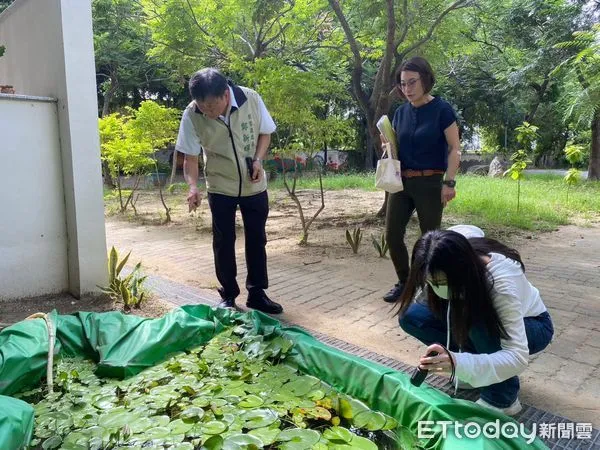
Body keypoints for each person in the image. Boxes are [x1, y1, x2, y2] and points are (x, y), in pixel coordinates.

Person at [396, 229, 554, 415]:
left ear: (462, 270)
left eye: (441, 281)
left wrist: (459, 363)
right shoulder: (440, 254)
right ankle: (475, 371)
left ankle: (501, 399)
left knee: (476, 317)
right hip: (474, 314)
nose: (435, 287)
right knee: (412, 316)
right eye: (430, 281)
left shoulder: (501, 284)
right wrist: (460, 363)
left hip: (533, 325)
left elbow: (517, 356)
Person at [175, 68, 283, 314]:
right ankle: (228, 295)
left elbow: (265, 132)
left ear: (225, 94)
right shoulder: (192, 114)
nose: (208, 113)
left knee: (257, 239)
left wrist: (258, 159)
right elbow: (190, 157)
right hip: (220, 185)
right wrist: (193, 187)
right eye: (203, 108)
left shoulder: (250, 99)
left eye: (212, 107)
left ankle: (257, 293)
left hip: (253, 183)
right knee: (223, 241)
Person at [381, 56, 461, 303]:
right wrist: (388, 146)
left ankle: (432, 289)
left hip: (430, 183)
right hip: (401, 183)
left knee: (430, 239)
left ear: (426, 80)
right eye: (403, 84)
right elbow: (397, 146)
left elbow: (454, 148)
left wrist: (449, 182)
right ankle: (405, 282)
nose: (407, 89)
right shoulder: (400, 113)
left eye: (412, 82)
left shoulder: (442, 110)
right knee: (392, 235)